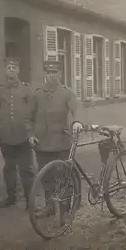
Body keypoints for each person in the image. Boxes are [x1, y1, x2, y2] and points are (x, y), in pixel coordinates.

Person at [27, 60, 84, 218]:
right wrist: (30, 134)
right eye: (49, 73)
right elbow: (28, 117)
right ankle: (50, 206)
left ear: (60, 74)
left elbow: (76, 108)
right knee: (46, 177)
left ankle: (65, 209)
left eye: (56, 73)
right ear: (45, 74)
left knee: (64, 176)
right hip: (42, 142)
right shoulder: (37, 94)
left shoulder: (67, 93)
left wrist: (77, 121)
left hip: (61, 142)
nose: (52, 76)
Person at [0, 57, 35, 210]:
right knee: (9, 168)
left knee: (26, 169)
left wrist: (31, 134)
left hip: (23, 136)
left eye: (14, 67)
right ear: (4, 70)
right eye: (8, 67)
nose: (11, 70)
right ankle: (11, 197)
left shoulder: (27, 89)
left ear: (18, 70)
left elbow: (32, 113)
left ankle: (30, 200)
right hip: (5, 136)